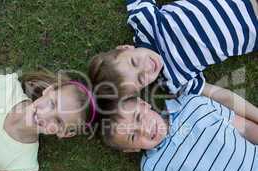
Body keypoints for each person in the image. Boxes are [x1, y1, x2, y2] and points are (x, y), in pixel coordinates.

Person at [89, 0, 258, 121]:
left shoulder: (144, 21)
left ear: (124, 48)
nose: (147, 67)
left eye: (134, 62)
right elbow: (222, 96)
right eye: (141, 78)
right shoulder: (175, 81)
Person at [99, 92, 258, 171]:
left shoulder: (194, 104)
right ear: (131, 149)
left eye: (139, 117)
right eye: (133, 136)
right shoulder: (153, 168)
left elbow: (246, 128)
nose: (145, 130)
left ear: (144, 103)